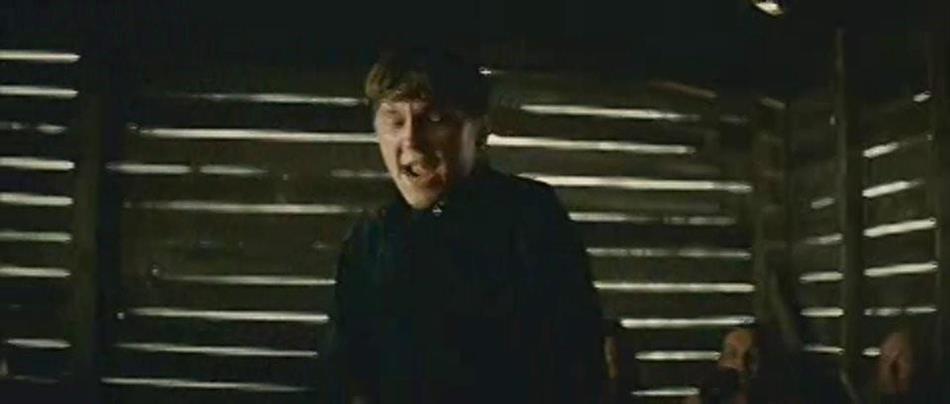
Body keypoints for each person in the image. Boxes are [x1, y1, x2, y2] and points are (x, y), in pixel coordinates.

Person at [321, 48, 606, 404]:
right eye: (394, 121)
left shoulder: (529, 217)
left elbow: (577, 368)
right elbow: (342, 372)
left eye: (435, 119)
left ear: (479, 132)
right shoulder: (370, 238)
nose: (411, 141)